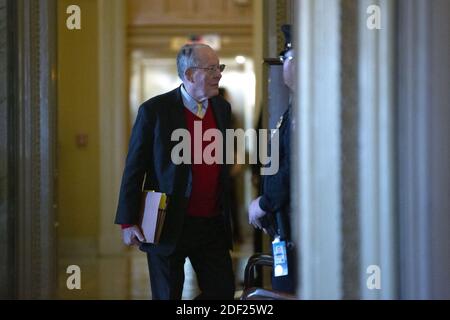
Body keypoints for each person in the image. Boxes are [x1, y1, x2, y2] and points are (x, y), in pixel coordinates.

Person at [115, 43, 235, 300]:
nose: (219, 74)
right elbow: (135, 168)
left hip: (212, 224)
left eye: (219, 67)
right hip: (167, 224)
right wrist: (127, 220)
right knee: (168, 295)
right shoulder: (155, 111)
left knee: (222, 293)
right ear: (190, 75)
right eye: (211, 68)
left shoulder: (222, 109)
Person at [248, 24, 296, 294]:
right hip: (284, 224)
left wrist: (265, 202)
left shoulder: (305, 107)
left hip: (294, 224)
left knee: (287, 289)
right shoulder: (294, 105)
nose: (284, 66)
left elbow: (294, 168)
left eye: (286, 59)